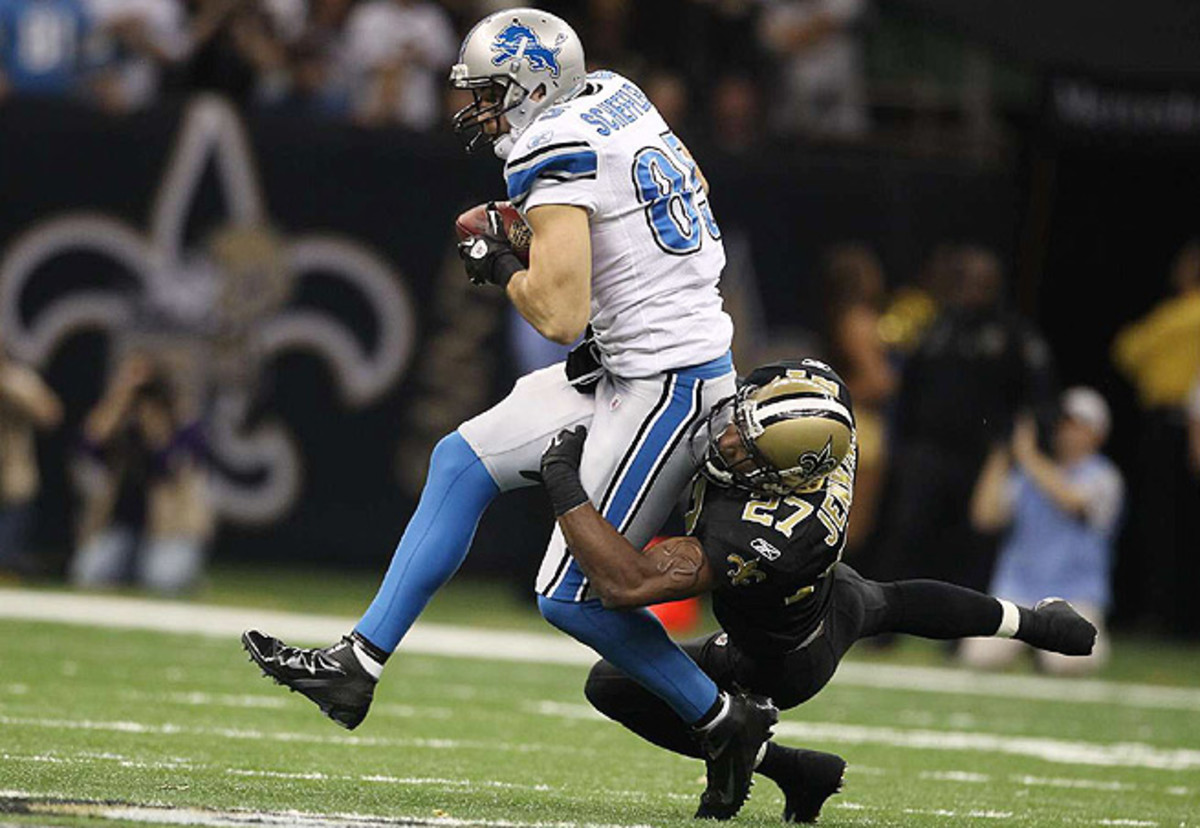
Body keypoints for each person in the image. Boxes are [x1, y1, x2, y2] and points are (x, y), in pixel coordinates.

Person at [242, 8, 773, 818]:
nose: (479, 109)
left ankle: (721, 718)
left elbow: (560, 313)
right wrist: (536, 245)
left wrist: (501, 265)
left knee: (571, 595)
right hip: (632, 361)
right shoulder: (614, 93)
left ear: (530, 84)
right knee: (461, 460)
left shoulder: (549, 143)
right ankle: (359, 664)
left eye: (489, 92)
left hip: (665, 381)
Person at [536, 358, 1098, 822]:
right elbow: (777, 383)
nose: (726, 437)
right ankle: (1038, 623)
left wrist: (562, 477)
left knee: (612, 686)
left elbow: (623, 584)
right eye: (738, 422)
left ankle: (782, 764)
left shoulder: (761, 535)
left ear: (782, 475)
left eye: (743, 447)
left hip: (777, 659)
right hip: (833, 596)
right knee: (892, 602)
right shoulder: (821, 407)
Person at [962, 388, 1123, 675]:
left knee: (1070, 661)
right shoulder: (1026, 474)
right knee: (979, 656)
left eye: (1078, 425)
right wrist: (1001, 451)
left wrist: (1027, 454)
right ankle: (1029, 646)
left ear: (1098, 433)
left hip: (1075, 596)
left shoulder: (1104, 476)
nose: (1068, 432)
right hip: (1019, 592)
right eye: (1065, 424)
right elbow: (984, 517)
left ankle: (1037, 651)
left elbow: (1072, 501)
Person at [1111, 239, 1200, 636]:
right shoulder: (1177, 313)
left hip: (1182, 423)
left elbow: (1129, 348)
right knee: (1165, 524)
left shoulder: (1181, 314)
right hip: (1166, 424)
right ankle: (1166, 613)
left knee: (1170, 525)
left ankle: (1171, 614)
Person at [69, 353, 212, 594]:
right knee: (87, 573)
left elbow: (170, 465)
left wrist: (156, 424)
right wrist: (119, 395)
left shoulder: (184, 423)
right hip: (123, 523)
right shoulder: (121, 419)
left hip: (169, 526)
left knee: (161, 581)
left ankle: (185, 572)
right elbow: (87, 446)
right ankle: (132, 566)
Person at [0, 347, 63, 576]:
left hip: (14, 479)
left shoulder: (18, 379)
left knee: (5, 558)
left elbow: (50, 414)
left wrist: (7, 388)